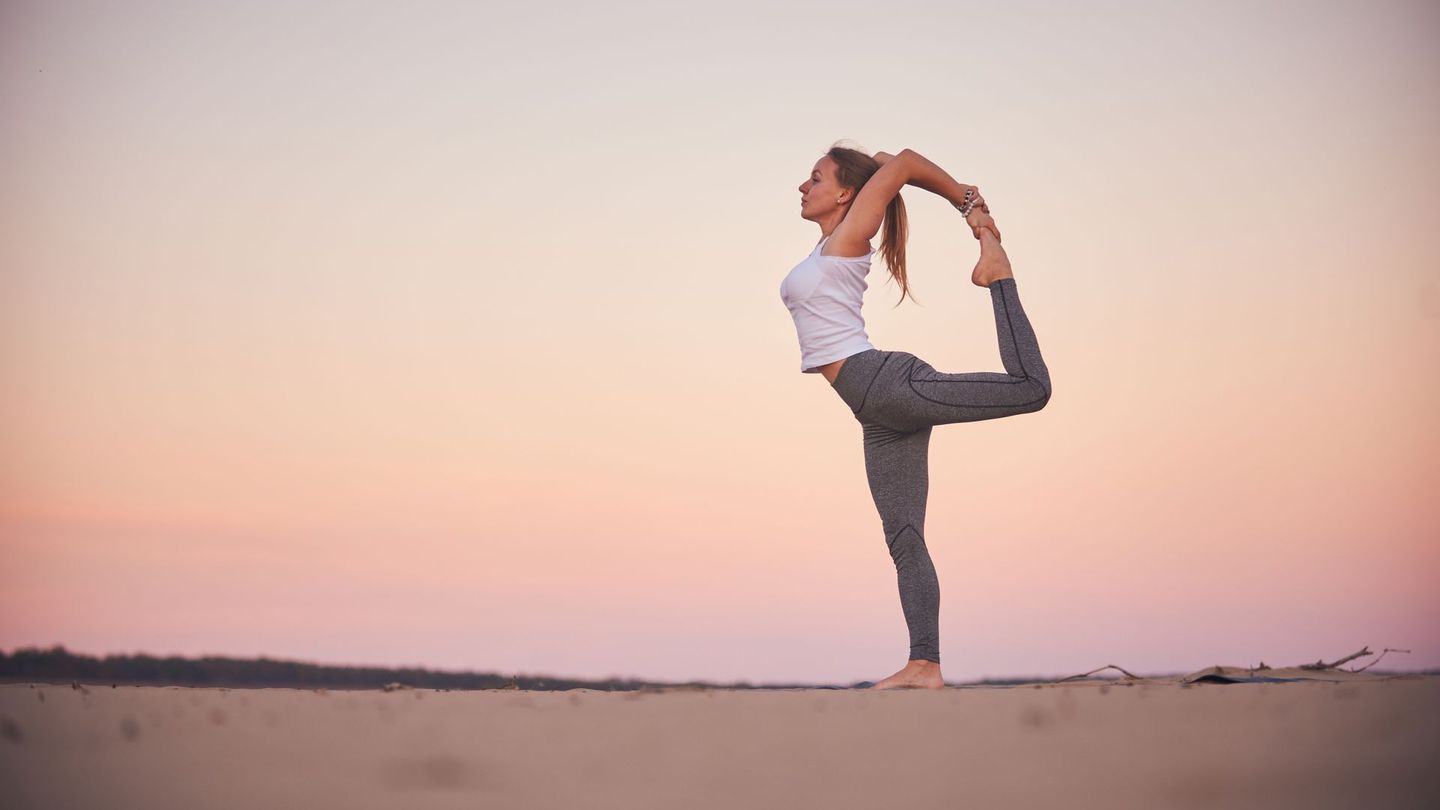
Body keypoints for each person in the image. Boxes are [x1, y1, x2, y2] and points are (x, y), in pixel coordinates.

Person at [779, 143, 1052, 690]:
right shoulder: (826, 246)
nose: (802, 187)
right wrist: (878, 165)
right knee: (904, 536)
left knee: (1031, 389)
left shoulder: (851, 237)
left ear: (846, 195)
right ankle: (924, 664)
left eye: (815, 178)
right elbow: (888, 161)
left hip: (888, 385)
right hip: (876, 413)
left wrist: (968, 204)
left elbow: (901, 161)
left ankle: (998, 276)